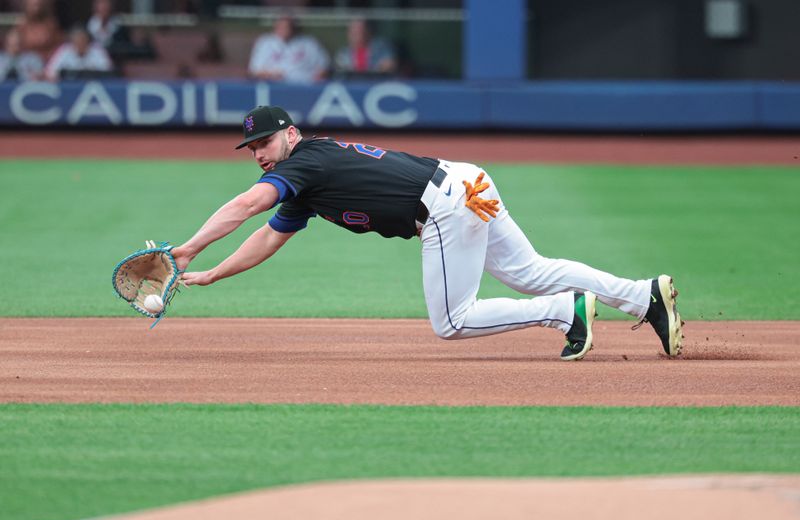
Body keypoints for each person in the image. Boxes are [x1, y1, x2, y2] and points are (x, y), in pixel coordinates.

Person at [171, 106, 684, 360]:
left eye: (264, 141)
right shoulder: (304, 178)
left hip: (443, 207)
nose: (258, 152)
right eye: (251, 147)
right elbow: (267, 234)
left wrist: (190, 248)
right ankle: (644, 297)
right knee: (533, 272)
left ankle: (563, 312)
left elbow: (247, 204)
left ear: (290, 134)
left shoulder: (304, 162)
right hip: (466, 182)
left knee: (452, 322)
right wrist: (214, 273)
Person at [247, 15, 329, 83]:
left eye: (287, 27)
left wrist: (316, 79)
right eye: (280, 27)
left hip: (305, 86)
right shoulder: (265, 42)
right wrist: (271, 75)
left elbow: (323, 67)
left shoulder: (309, 43)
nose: (284, 30)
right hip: (275, 87)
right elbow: (255, 70)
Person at [45, 26, 114, 81]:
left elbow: (109, 72)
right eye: (78, 41)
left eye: (83, 40)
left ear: (88, 41)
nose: (81, 43)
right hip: (68, 88)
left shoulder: (97, 50)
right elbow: (50, 71)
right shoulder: (65, 50)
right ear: (72, 42)